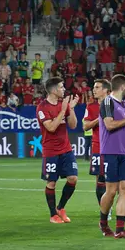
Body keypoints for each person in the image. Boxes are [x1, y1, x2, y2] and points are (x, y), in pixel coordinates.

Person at [98, 75, 125, 239]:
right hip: (111, 152)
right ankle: (103, 222)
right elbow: (109, 125)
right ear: (123, 86)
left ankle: (120, 229)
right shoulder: (108, 102)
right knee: (111, 191)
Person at [36, 77, 80, 224]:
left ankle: (60, 208)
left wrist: (71, 108)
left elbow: (73, 125)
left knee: (73, 178)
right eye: (61, 87)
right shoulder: (42, 107)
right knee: (52, 183)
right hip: (51, 151)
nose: (64, 90)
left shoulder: (64, 105)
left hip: (66, 149)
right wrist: (62, 110)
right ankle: (53, 215)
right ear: (54, 90)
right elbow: (51, 128)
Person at [84, 79, 109, 205]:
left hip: (113, 146)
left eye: (97, 87)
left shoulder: (114, 104)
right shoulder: (91, 106)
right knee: (99, 178)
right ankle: (104, 208)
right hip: (98, 146)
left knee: (119, 178)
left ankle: (124, 208)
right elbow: (86, 126)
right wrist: (99, 119)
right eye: (94, 87)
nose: (94, 90)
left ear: (105, 90)